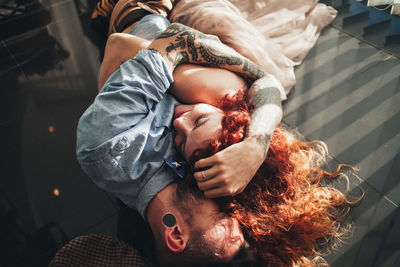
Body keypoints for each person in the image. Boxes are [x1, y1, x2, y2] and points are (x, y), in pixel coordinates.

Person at [77, 5, 283, 265]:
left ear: (175, 234)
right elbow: (266, 85)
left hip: (136, 12)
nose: (179, 121)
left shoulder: (106, 147)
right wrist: (255, 147)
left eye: (224, 225)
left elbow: (127, 45)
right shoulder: (200, 171)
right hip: (164, 32)